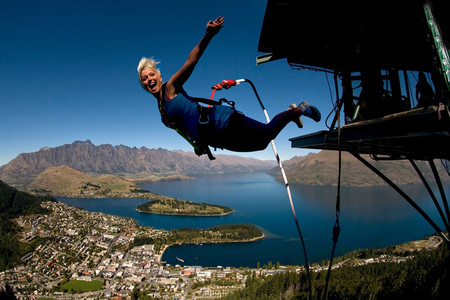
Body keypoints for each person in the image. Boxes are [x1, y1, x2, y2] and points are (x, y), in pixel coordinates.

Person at [137, 17, 320, 158]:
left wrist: (208, 36)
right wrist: (199, 143)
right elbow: (183, 129)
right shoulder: (162, 111)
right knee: (262, 144)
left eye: (151, 75)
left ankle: (298, 111)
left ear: (159, 76)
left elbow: (191, 61)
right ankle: (291, 113)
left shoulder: (171, 88)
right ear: (142, 84)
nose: (149, 80)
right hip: (214, 137)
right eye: (144, 79)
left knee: (266, 133)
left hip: (221, 121)